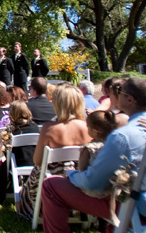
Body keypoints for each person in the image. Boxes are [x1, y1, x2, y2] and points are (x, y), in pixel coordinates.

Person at [28, 78, 146, 233]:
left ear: (131, 100)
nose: (115, 95)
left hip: (135, 209)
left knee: (51, 186)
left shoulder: (123, 136)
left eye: (121, 92)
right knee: (117, 186)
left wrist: (72, 176)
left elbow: (95, 183)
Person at [16, 85, 91, 221]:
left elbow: (37, 160)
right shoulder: (89, 128)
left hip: (51, 183)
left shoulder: (50, 128)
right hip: (81, 184)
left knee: (34, 178)